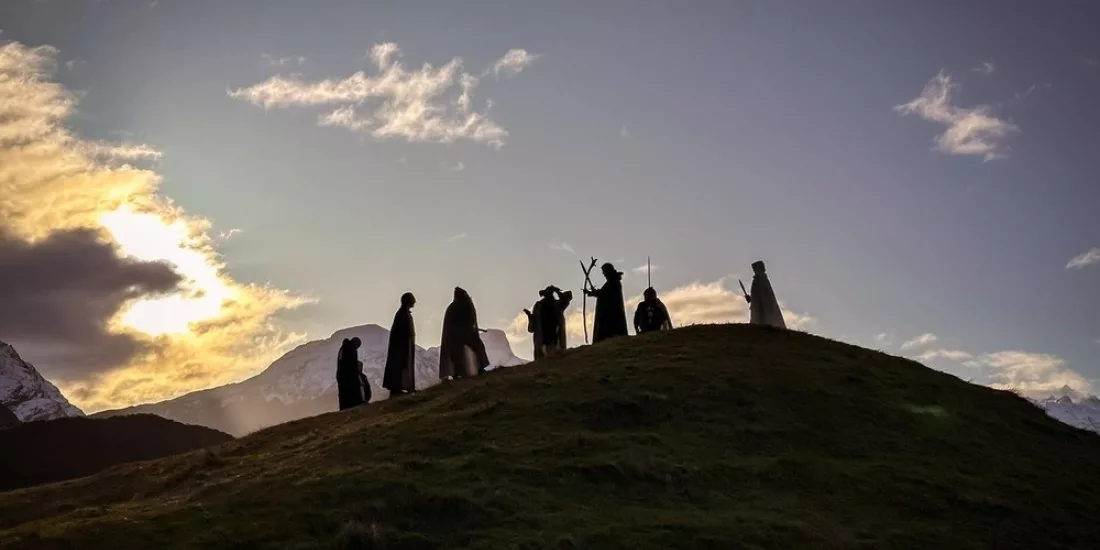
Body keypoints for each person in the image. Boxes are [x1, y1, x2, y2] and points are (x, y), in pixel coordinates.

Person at [440, 287, 490, 379]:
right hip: (461, 334)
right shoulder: (464, 305)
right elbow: (471, 319)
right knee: (473, 349)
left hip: (457, 334)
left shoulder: (454, 307)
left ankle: (459, 372)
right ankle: (478, 369)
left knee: (458, 354)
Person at [383, 292, 417, 397]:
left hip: (402, 346)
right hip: (401, 347)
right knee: (399, 366)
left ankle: (399, 387)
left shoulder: (402, 314)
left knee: (400, 367)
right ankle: (397, 387)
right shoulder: (403, 315)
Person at [584, 262, 628, 343]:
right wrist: (592, 293)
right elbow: (603, 293)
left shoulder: (614, 282)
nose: (604, 274)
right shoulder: (612, 282)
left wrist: (592, 293)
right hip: (608, 311)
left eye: (605, 272)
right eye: (603, 272)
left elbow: (605, 294)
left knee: (609, 330)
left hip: (611, 312)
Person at [525, 285, 572, 359]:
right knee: (543, 359)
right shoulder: (539, 306)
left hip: (554, 338)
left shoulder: (557, 305)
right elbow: (533, 327)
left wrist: (557, 291)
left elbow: (567, 299)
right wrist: (530, 317)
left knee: (555, 358)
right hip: (542, 338)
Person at [745, 260, 787, 329]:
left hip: (765, 309)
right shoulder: (760, 279)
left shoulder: (760, 279)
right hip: (762, 309)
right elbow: (758, 296)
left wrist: (752, 299)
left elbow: (764, 296)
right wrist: (751, 299)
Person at [336, 337, 365, 410]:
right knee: (351, 391)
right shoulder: (351, 349)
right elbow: (352, 364)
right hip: (348, 376)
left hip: (341, 375)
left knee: (343, 394)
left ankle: (345, 407)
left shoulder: (343, 348)